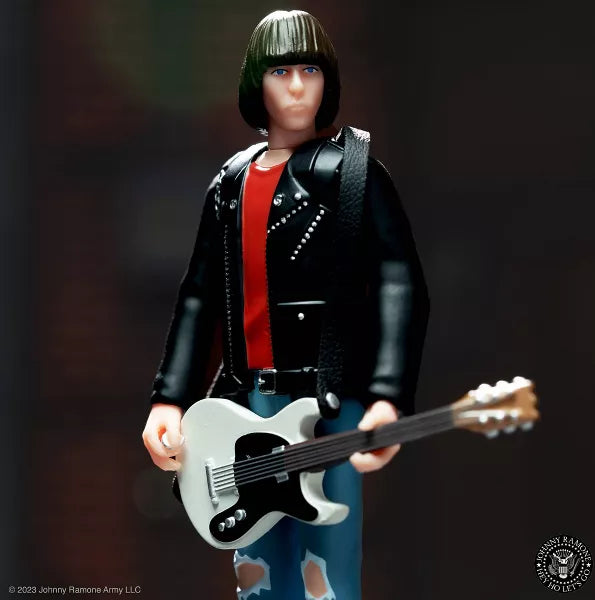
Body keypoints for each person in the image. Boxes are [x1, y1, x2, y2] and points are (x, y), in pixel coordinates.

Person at [142, 9, 429, 599]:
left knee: (326, 569)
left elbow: (399, 282)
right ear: (257, 83)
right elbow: (199, 297)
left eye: (310, 71)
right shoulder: (231, 182)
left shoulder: (354, 174)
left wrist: (387, 395)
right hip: (245, 406)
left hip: (326, 404)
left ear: (328, 81)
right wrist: (171, 397)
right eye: (281, 72)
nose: (297, 87)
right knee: (257, 570)